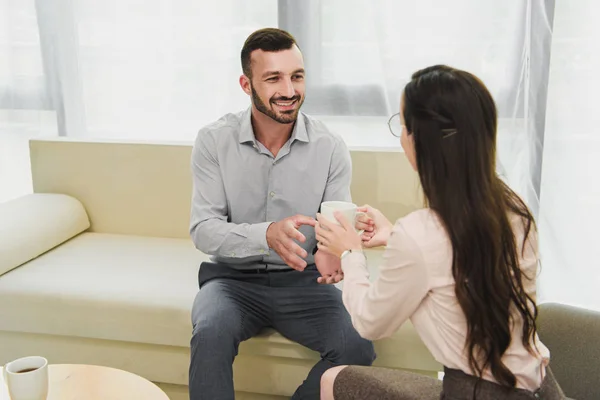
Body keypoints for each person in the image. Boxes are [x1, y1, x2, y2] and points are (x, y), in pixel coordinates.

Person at [315, 65, 568, 399]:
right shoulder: (513, 206)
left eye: (402, 125)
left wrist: (351, 254)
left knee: (333, 379)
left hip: (477, 393)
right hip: (542, 387)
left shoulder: (421, 234)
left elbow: (370, 322)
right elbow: (459, 256)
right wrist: (392, 235)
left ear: (420, 140)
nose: (402, 135)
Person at [188, 28, 375, 400]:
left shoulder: (331, 147)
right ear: (246, 84)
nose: (289, 90)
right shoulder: (213, 141)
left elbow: (333, 225)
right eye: (273, 78)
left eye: (297, 76)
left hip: (303, 282)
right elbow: (203, 230)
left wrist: (330, 250)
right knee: (210, 332)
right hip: (231, 281)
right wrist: (266, 234)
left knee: (358, 347)